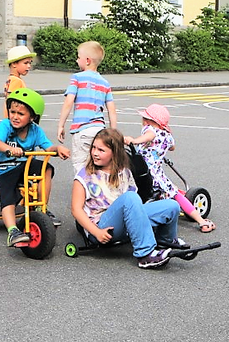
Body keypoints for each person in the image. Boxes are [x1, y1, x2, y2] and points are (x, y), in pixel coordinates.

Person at [72, 128, 184, 269]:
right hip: (102, 227)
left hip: (125, 222)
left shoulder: (124, 172)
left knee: (171, 206)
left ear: (115, 153)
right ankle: (145, 254)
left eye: (101, 150)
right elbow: (76, 210)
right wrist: (96, 232)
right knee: (130, 198)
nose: (95, 153)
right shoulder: (84, 175)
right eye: (93, 148)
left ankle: (166, 241)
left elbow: (134, 207)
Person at [0, 88, 70, 245]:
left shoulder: (35, 130)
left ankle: (42, 208)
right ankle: (12, 231)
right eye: (12, 112)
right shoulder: (5, 125)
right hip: (1, 169)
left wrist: (58, 148)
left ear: (32, 117)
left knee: (47, 168)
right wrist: (10, 149)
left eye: (21, 114)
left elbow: (48, 147)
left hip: (22, 165)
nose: (15, 117)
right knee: (8, 196)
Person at [124, 104, 216, 233]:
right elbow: (172, 147)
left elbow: (149, 136)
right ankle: (200, 220)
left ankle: (199, 220)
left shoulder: (149, 129)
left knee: (171, 194)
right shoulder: (167, 136)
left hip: (144, 173)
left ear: (148, 120)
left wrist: (134, 141)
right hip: (156, 174)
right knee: (175, 193)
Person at [57, 41, 117, 173]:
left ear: (87, 60)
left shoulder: (77, 78)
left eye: (78, 57)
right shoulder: (105, 83)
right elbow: (111, 110)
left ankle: (82, 192)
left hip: (82, 130)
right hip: (100, 130)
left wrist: (61, 125)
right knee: (97, 166)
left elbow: (68, 102)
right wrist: (113, 132)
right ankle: (97, 191)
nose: (77, 60)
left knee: (81, 166)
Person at [3, 45, 35, 117]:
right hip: (15, 118)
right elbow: (13, 101)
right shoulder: (16, 81)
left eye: (30, 63)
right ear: (14, 63)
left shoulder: (10, 79)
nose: (29, 66)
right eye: (26, 63)